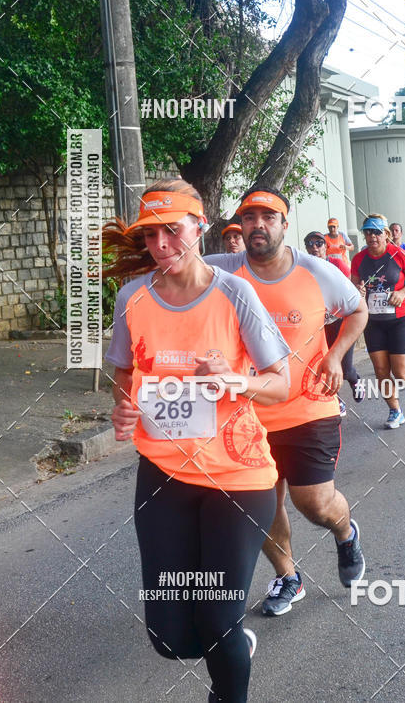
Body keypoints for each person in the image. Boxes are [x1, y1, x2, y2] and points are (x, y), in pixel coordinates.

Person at [102, 179, 290, 703]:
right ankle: (231, 644)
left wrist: (236, 379)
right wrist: (123, 407)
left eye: (173, 230)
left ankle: (227, 682)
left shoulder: (234, 293)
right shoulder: (132, 297)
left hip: (238, 476)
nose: (161, 244)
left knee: (217, 618)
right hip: (163, 475)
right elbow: (120, 369)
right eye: (151, 235)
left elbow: (280, 383)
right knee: (170, 638)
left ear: (200, 226)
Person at [205, 188, 368, 617]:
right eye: (249, 217)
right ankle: (288, 577)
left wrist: (335, 355)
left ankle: (346, 532)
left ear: (284, 223)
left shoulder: (317, 271)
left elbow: (358, 310)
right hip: (246, 412)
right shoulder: (221, 271)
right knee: (259, 503)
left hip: (308, 407)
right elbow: (173, 270)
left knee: (312, 502)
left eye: (268, 216)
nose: (258, 224)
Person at [351, 214, 405, 428]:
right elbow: (354, 287)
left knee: (400, 371)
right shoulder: (358, 259)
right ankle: (395, 411)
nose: (372, 236)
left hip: (398, 320)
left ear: (385, 234)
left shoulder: (397, 254)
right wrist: (358, 291)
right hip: (373, 322)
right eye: (367, 231)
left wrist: (403, 292)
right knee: (381, 371)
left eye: (376, 232)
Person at [304, 231, 366, 414]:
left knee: (344, 368)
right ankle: (336, 400)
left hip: (340, 322)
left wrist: (358, 293)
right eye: (310, 244)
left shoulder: (336, 264)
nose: (315, 248)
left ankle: (354, 379)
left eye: (319, 243)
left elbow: (351, 285)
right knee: (323, 365)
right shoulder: (304, 268)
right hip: (318, 325)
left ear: (325, 246)